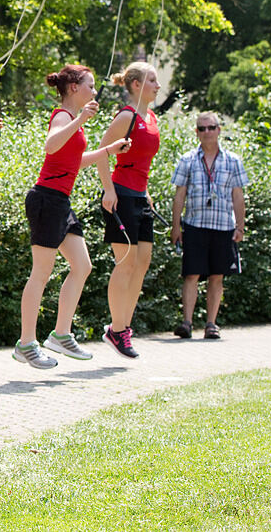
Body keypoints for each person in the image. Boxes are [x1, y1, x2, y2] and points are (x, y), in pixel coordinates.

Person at [14, 65, 131, 369]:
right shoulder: (63, 116)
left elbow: (74, 161)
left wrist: (109, 150)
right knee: (41, 273)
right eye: (90, 86)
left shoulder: (75, 123)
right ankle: (26, 343)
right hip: (46, 200)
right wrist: (81, 118)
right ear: (74, 88)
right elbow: (50, 145)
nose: (95, 92)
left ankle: (60, 335)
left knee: (82, 265)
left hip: (61, 202)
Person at [96, 61, 161, 359]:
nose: (158, 87)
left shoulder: (152, 118)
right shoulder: (127, 115)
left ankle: (122, 327)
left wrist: (146, 192)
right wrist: (108, 189)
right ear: (136, 85)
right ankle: (118, 330)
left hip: (139, 197)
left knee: (143, 261)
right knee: (125, 262)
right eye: (152, 81)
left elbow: (141, 162)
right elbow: (102, 151)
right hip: (120, 195)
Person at [170, 112, 248, 339]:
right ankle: (187, 323)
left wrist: (240, 227)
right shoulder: (187, 159)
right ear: (196, 132)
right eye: (202, 129)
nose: (207, 132)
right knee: (191, 274)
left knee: (217, 276)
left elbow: (238, 197)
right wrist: (176, 227)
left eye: (211, 127)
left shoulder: (233, 160)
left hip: (224, 226)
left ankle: (211, 324)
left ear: (219, 130)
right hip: (194, 224)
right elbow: (179, 196)